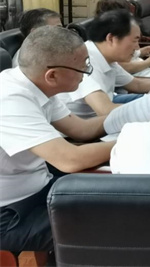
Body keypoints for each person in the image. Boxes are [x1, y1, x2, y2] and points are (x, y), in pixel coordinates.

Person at [0, 26, 114, 253]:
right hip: (11, 216)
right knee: (112, 227)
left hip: (40, 188)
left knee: (118, 197)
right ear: (52, 75)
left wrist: (132, 120)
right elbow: (70, 160)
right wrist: (134, 141)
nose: (87, 72)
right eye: (83, 67)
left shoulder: (36, 86)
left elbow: (81, 130)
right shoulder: (9, 99)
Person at [59, 10, 150, 116]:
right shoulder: (84, 61)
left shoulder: (106, 56)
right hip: (90, 121)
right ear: (111, 38)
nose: (137, 47)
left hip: (108, 102)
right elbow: (105, 110)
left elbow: (136, 84)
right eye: (134, 41)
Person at [95, 0, 150, 76]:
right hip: (138, 76)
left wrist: (146, 49)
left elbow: (130, 54)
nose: (130, 14)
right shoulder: (110, 38)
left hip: (144, 74)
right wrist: (148, 63)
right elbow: (123, 67)